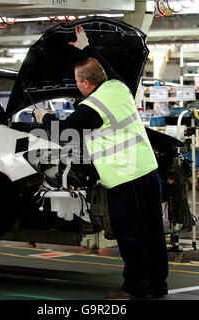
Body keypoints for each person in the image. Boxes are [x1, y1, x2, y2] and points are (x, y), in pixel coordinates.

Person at [35, 26, 168, 299]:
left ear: (85, 84)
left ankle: (135, 289)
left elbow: (63, 131)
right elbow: (106, 69)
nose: (78, 87)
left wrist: (43, 118)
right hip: (148, 171)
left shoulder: (93, 107)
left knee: (131, 236)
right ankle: (157, 285)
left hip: (124, 178)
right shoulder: (119, 87)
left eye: (78, 82)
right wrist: (87, 48)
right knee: (153, 232)